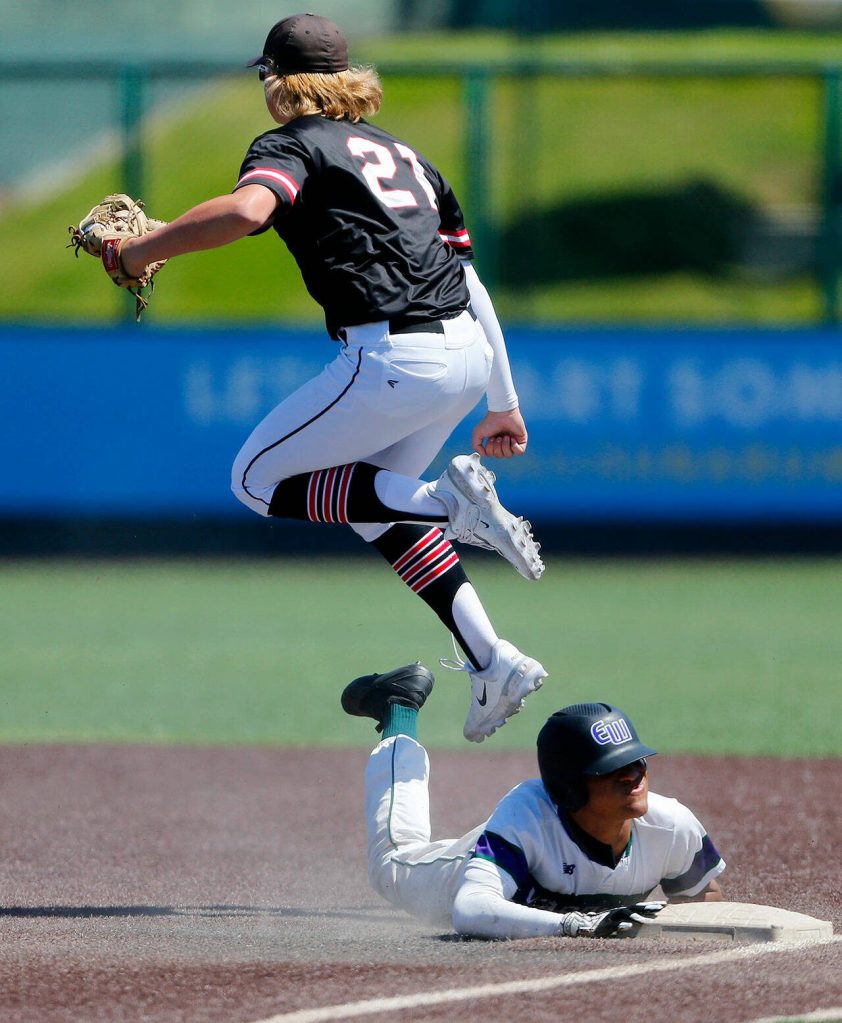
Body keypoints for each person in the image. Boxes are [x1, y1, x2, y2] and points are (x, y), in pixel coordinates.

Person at [115, 12, 546, 743]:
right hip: (466, 353)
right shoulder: (409, 157)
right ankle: (491, 657)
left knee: (255, 480)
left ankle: (452, 505)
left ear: (276, 82)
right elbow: (470, 283)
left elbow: (251, 209)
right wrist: (503, 400)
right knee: (372, 503)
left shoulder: (291, 145)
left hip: (394, 355)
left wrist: (141, 251)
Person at [341, 664, 725, 939]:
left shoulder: (672, 826)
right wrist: (577, 924)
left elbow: (704, 897)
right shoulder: (528, 816)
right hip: (460, 872)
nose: (633, 774)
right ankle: (399, 706)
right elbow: (471, 909)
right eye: (609, 768)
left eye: (635, 759)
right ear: (569, 786)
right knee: (390, 861)